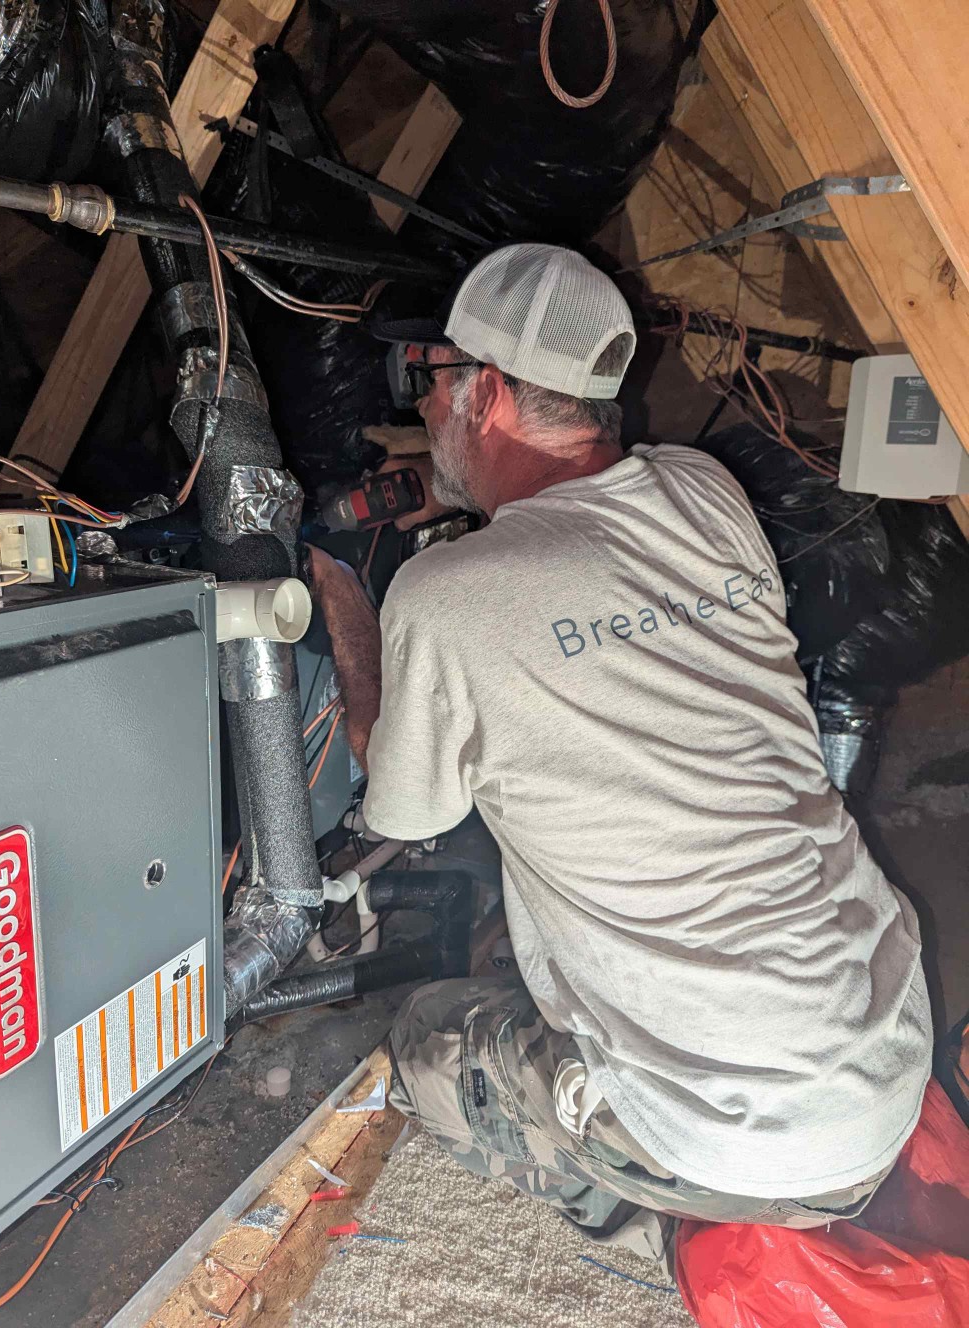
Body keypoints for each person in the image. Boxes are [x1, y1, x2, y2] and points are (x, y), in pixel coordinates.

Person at [306, 243, 932, 1258]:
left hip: (740, 1138)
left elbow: (403, 808)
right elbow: (578, 544)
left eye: (430, 384)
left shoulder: (443, 596)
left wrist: (342, 594)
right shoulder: (704, 488)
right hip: (883, 1045)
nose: (420, 409)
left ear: (488, 393)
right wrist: (463, 495)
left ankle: (662, 1219)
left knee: (425, 1042)